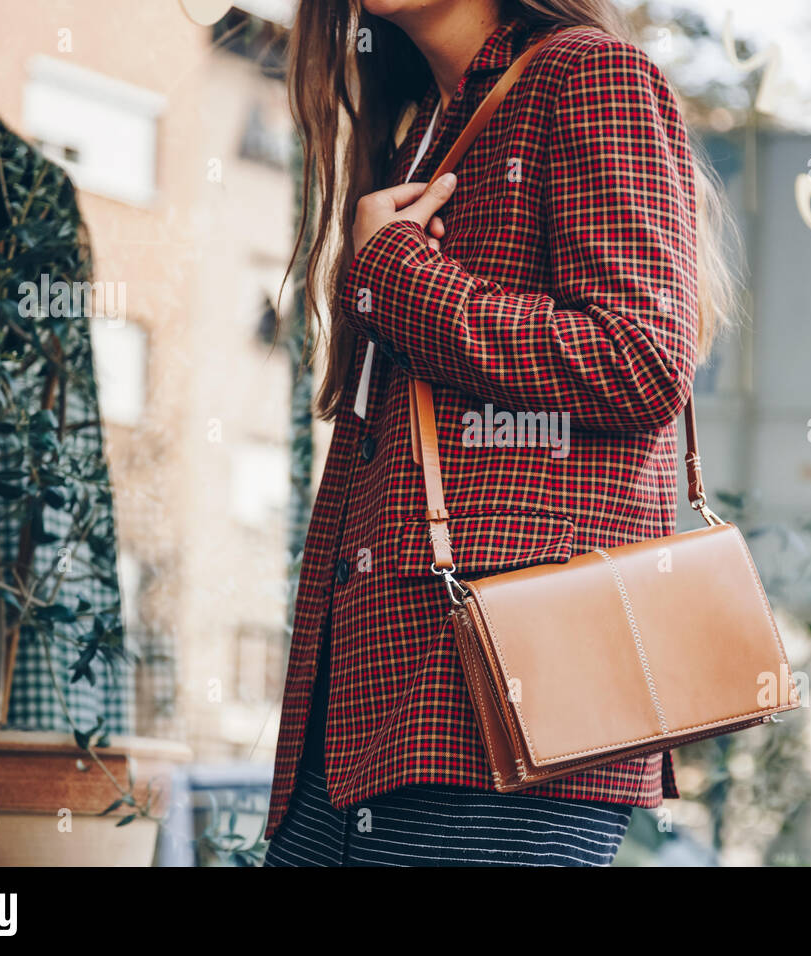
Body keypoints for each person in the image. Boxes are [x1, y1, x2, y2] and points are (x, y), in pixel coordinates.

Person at [264, 0, 733, 867]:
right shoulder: (420, 135)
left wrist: (399, 274)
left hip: (510, 719)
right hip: (366, 716)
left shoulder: (588, 76)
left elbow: (640, 360)